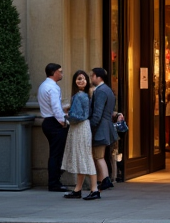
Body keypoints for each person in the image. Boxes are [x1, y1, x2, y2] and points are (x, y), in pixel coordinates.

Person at [62, 70, 100, 200]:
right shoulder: (85, 95)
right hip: (82, 127)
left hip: (79, 127)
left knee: (85, 158)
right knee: (83, 158)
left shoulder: (79, 96)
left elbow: (78, 116)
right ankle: (78, 189)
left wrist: (67, 116)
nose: (81, 81)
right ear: (74, 81)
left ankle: (94, 189)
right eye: (78, 79)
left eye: (83, 78)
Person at [38, 63, 69, 192]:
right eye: (60, 71)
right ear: (54, 72)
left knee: (54, 153)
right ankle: (54, 182)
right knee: (56, 154)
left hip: (48, 121)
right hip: (54, 122)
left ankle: (54, 181)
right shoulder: (53, 88)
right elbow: (56, 107)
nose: (62, 74)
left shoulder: (43, 86)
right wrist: (63, 122)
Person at [89, 68, 118, 190]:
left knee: (98, 156)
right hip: (106, 126)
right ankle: (104, 179)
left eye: (92, 75)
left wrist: (90, 126)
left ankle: (105, 179)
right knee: (100, 155)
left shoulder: (100, 91)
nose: (91, 78)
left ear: (97, 76)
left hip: (101, 127)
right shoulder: (108, 90)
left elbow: (97, 113)